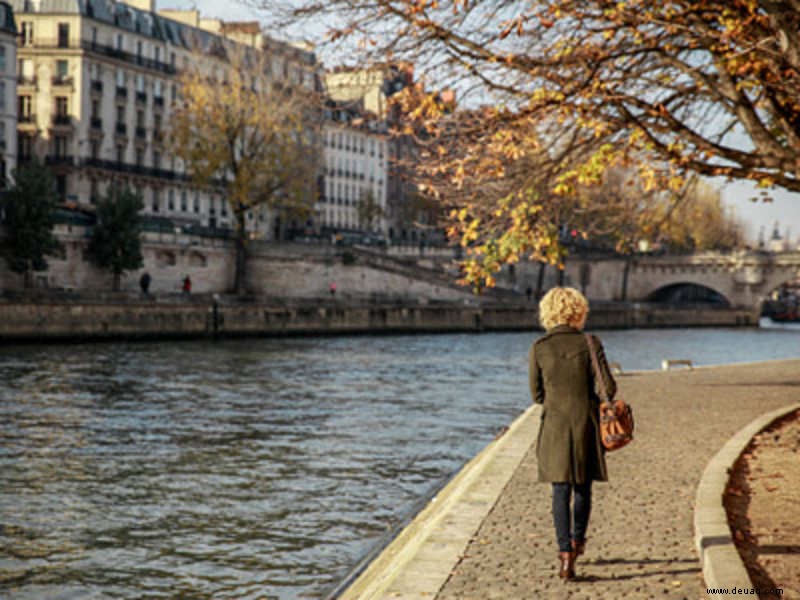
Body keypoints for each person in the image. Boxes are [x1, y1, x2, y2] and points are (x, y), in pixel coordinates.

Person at [528, 287, 616, 581]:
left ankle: (564, 555)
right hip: (585, 423)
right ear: (579, 311)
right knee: (582, 487)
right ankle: (578, 542)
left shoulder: (540, 347)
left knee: (560, 490)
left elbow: (536, 394)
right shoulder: (590, 342)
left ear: (548, 313)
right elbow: (609, 388)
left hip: (554, 424)